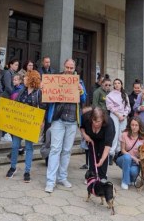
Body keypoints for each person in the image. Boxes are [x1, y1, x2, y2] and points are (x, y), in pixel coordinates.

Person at [44, 58, 87, 193]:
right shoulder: (56, 79)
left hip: (73, 121)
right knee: (55, 149)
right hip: (58, 119)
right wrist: (44, 89)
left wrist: (81, 91)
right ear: (64, 66)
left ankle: (62, 177)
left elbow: (85, 99)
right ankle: (50, 181)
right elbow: (47, 97)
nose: (69, 70)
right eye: (67, 67)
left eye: (71, 68)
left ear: (74, 68)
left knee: (67, 150)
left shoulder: (79, 81)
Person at [6, 70, 44, 183]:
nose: (24, 79)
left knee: (29, 147)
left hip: (30, 125)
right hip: (20, 124)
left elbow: (42, 107)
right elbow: (16, 105)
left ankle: (27, 171)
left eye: (26, 77)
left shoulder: (38, 93)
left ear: (32, 78)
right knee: (15, 146)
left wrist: (41, 121)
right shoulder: (22, 90)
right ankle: (13, 167)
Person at [116, 116, 144, 190]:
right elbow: (123, 150)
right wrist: (134, 158)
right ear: (129, 125)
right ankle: (125, 182)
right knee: (127, 158)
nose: (134, 127)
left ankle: (130, 178)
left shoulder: (143, 137)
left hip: (135, 163)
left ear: (140, 126)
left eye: (136, 125)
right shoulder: (124, 134)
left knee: (133, 172)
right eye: (132, 125)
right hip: (124, 159)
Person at [80, 107, 115, 181]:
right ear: (91, 118)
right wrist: (85, 135)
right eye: (94, 121)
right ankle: (92, 175)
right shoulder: (86, 117)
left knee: (102, 155)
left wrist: (102, 160)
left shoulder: (109, 124)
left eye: (98, 121)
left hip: (104, 138)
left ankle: (102, 176)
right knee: (92, 154)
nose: (96, 123)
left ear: (102, 119)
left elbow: (107, 146)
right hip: (91, 136)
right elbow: (81, 127)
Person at [106, 78, 131, 165]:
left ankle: (119, 151)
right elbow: (110, 107)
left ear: (121, 84)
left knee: (122, 134)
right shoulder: (110, 95)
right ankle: (111, 153)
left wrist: (124, 115)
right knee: (115, 133)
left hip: (123, 116)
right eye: (115, 83)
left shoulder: (125, 95)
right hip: (115, 115)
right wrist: (118, 115)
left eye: (118, 83)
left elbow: (128, 107)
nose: (117, 85)